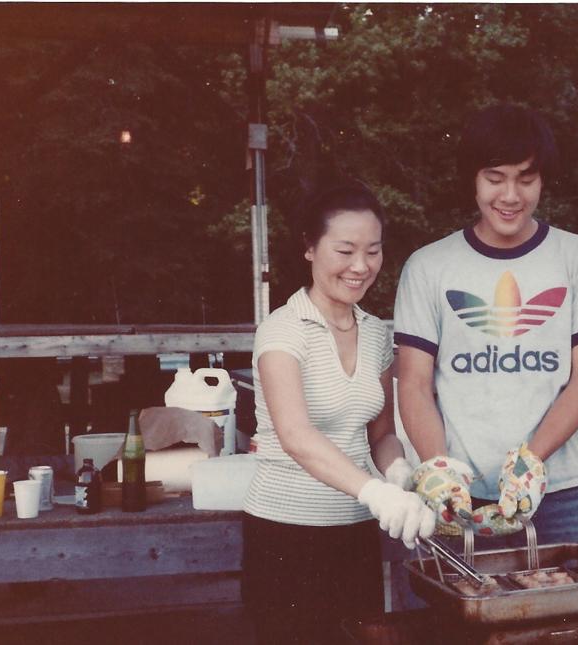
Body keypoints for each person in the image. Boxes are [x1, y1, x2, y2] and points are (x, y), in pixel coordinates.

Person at [393, 104, 578, 549]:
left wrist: (532, 462)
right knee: (450, 612)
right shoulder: (428, 266)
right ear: (472, 180)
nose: (510, 195)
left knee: (577, 607)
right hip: (458, 495)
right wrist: (439, 469)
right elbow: (414, 384)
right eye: (494, 178)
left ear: (543, 180)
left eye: (526, 178)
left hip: (561, 490)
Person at [241, 180, 434, 644]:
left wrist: (402, 474)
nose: (361, 266)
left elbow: (381, 434)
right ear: (309, 248)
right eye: (345, 250)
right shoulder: (282, 331)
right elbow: (296, 435)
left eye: (373, 251)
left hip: (354, 533)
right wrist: (376, 492)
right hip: (285, 536)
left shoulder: (374, 333)